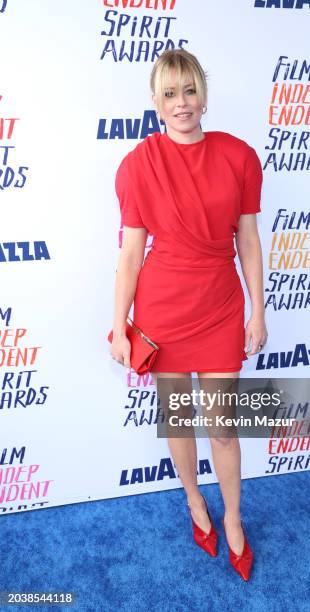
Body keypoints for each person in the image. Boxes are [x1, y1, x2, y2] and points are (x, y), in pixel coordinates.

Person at [110, 49, 267, 581]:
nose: (183, 104)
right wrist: (120, 325)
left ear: (204, 95)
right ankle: (195, 503)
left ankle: (236, 519)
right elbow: (131, 253)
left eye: (190, 91)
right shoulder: (137, 165)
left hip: (221, 305)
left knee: (222, 427)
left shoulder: (239, 156)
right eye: (171, 94)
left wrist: (258, 312)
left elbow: (247, 238)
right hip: (162, 309)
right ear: (156, 102)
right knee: (178, 418)